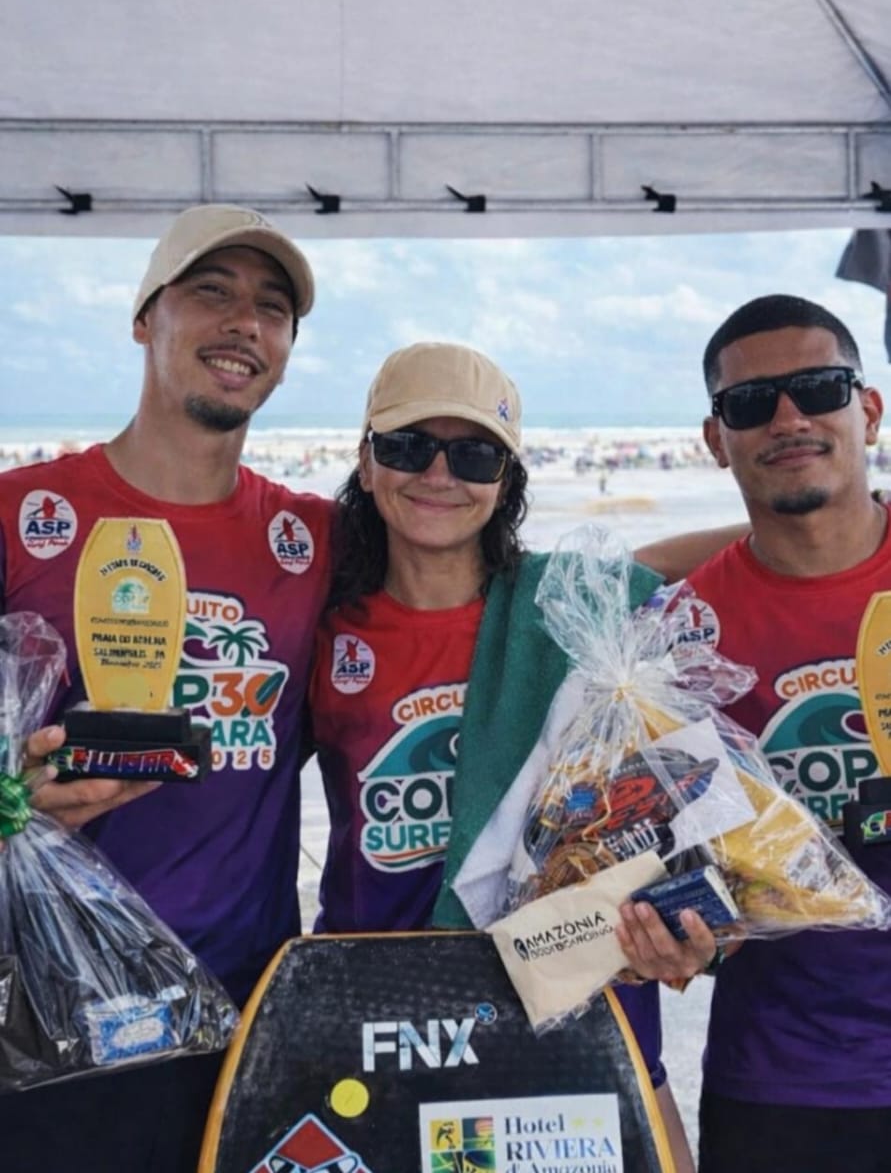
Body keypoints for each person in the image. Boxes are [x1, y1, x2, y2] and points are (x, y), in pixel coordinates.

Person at [308, 341, 701, 1171]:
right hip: (380, 1011)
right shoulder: (324, 625)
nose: (439, 474)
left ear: (506, 478)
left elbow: (730, 565)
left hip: (574, 997)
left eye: (475, 452)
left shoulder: (571, 614)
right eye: (408, 446)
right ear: (367, 463)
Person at [0, 205, 332, 1172]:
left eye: (272, 309)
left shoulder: (314, 539)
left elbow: (482, 590)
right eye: (212, 293)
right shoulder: (24, 516)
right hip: (52, 1003)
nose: (244, 325)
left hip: (246, 1004)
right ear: (145, 318)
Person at [620, 294, 891, 1172]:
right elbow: (657, 864)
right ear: (714, 439)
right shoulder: (668, 636)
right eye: (750, 402)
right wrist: (666, 944)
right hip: (785, 1085)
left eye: (816, 388)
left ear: (869, 410)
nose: (786, 417)